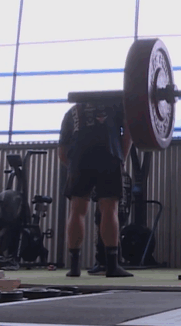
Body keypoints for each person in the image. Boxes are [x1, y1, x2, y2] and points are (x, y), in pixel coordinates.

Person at [58, 101, 133, 278]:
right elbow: (129, 134)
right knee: (109, 209)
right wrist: (121, 158)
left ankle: (74, 267)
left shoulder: (71, 112)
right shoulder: (115, 106)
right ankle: (112, 266)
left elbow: (61, 151)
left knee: (77, 210)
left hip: (79, 158)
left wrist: (74, 167)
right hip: (109, 155)